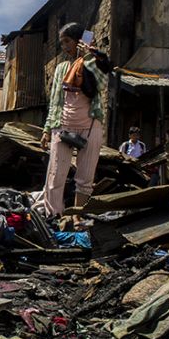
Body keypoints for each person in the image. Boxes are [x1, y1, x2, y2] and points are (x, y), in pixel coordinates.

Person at [39, 22, 111, 221]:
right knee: (55, 175)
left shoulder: (94, 63)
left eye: (67, 41)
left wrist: (88, 56)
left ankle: (79, 217)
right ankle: (55, 216)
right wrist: (47, 129)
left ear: (80, 41)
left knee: (85, 177)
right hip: (62, 125)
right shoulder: (62, 68)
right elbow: (55, 100)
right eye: (61, 43)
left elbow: (102, 84)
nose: (64, 47)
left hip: (90, 125)